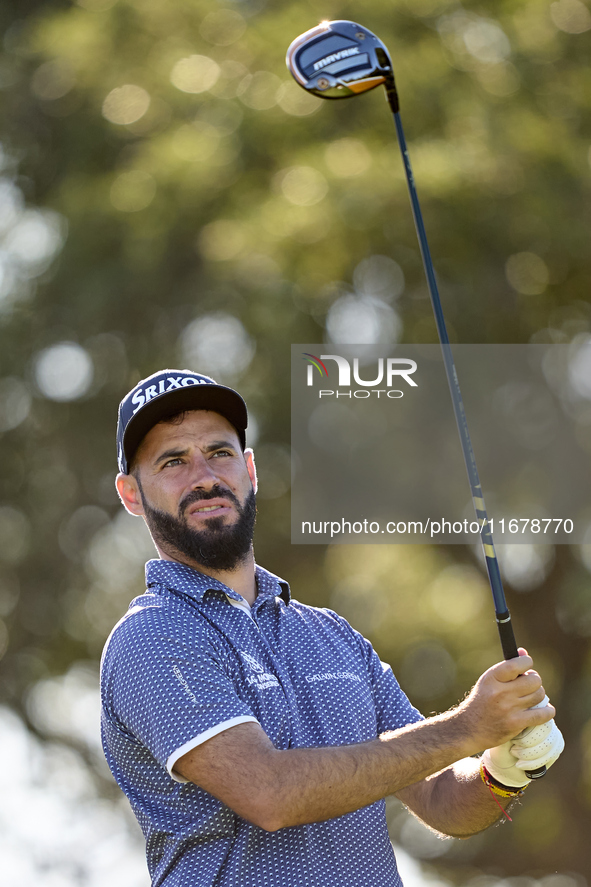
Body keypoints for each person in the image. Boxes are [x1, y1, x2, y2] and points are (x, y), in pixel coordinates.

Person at [101, 368, 564, 887]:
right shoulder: (151, 638)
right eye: (173, 461)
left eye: (219, 452)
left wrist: (502, 769)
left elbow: (441, 799)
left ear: (250, 469)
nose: (204, 476)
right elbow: (268, 793)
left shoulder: (332, 636)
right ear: (131, 494)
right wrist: (467, 728)